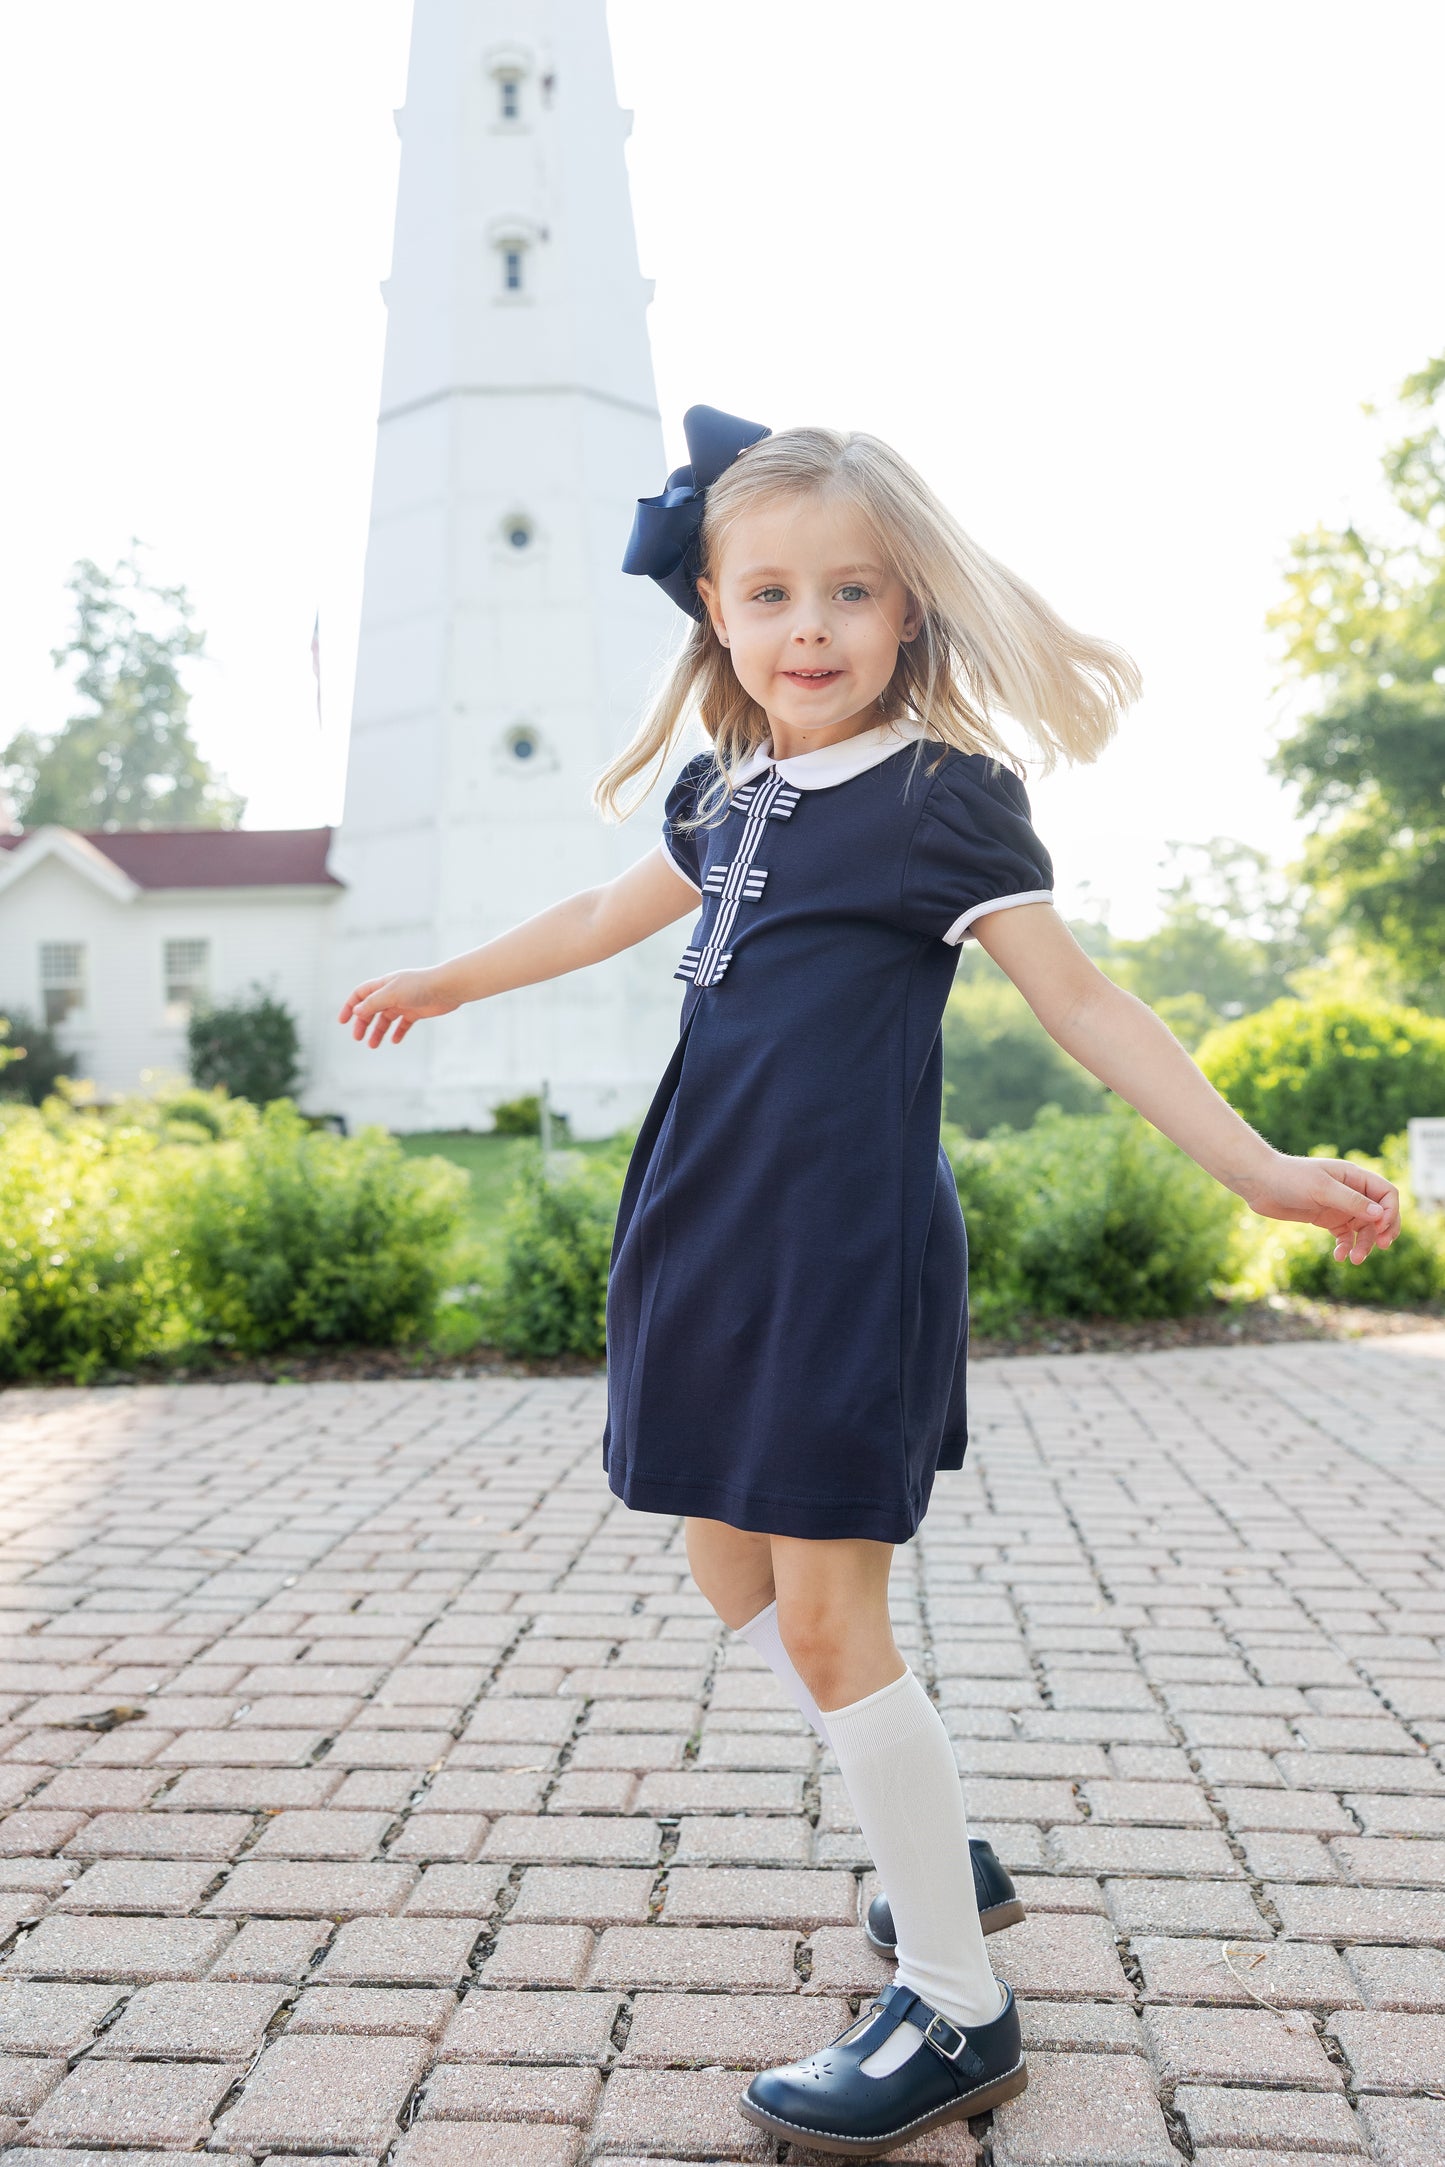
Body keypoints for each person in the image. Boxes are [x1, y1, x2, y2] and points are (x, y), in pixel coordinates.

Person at [339, 407, 1400, 2158]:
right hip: (701, 1225)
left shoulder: (936, 805)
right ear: (716, 614)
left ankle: (957, 2016)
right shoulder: (725, 792)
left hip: (836, 1252)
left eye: (849, 591)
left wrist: (1262, 1171)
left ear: (905, 612)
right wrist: (443, 984)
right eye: (770, 594)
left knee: (834, 1622)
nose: (809, 625)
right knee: (722, 1562)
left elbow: (1083, 1005)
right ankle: (941, 1856)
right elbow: (605, 915)